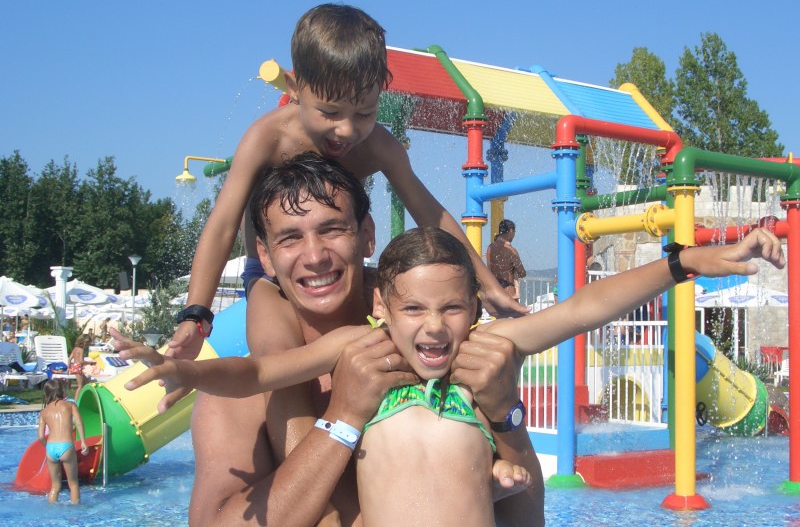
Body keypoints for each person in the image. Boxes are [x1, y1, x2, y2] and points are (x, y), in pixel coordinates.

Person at [128, 220, 784, 524]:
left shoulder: (482, 353)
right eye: (413, 309)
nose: (434, 327)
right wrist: (188, 372)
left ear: (474, 308)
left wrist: (684, 263)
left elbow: (584, 309)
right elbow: (261, 371)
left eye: (451, 308)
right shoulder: (365, 351)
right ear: (383, 308)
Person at [118, 153, 540, 525]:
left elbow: (525, 519)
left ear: (367, 234)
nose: (316, 255)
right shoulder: (236, 398)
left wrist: (507, 415)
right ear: (265, 256)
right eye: (290, 237)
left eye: (332, 229)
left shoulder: (430, 345)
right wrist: (342, 418)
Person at [168, 2, 528, 364]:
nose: (346, 130)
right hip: (271, 277)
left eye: (364, 113)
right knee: (280, 358)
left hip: (339, 274)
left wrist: (487, 285)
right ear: (295, 88)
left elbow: (430, 214)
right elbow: (222, 224)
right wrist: (196, 314)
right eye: (329, 112)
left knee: (399, 323)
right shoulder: (268, 139)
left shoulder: (379, 146)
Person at [37, 379, 88, 504]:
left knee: (55, 486)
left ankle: (51, 511)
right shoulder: (70, 405)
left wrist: (47, 446)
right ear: (61, 391)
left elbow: (41, 437)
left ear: (46, 393)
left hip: (51, 448)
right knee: (73, 483)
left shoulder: (44, 412)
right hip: (66, 446)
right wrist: (83, 442)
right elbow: (79, 422)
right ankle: (76, 511)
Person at [487, 219, 527, 301]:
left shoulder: (490, 248)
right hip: (509, 292)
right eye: (514, 232)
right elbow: (522, 273)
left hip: (494, 291)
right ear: (511, 231)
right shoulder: (511, 250)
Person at [68, 335, 92, 399]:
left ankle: (84, 397)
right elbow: (81, 361)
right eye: (87, 344)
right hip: (78, 368)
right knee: (80, 386)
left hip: (74, 367)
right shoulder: (81, 350)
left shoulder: (75, 348)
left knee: (86, 382)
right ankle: (75, 400)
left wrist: (68, 368)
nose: (87, 346)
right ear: (84, 343)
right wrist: (90, 363)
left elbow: (69, 359)